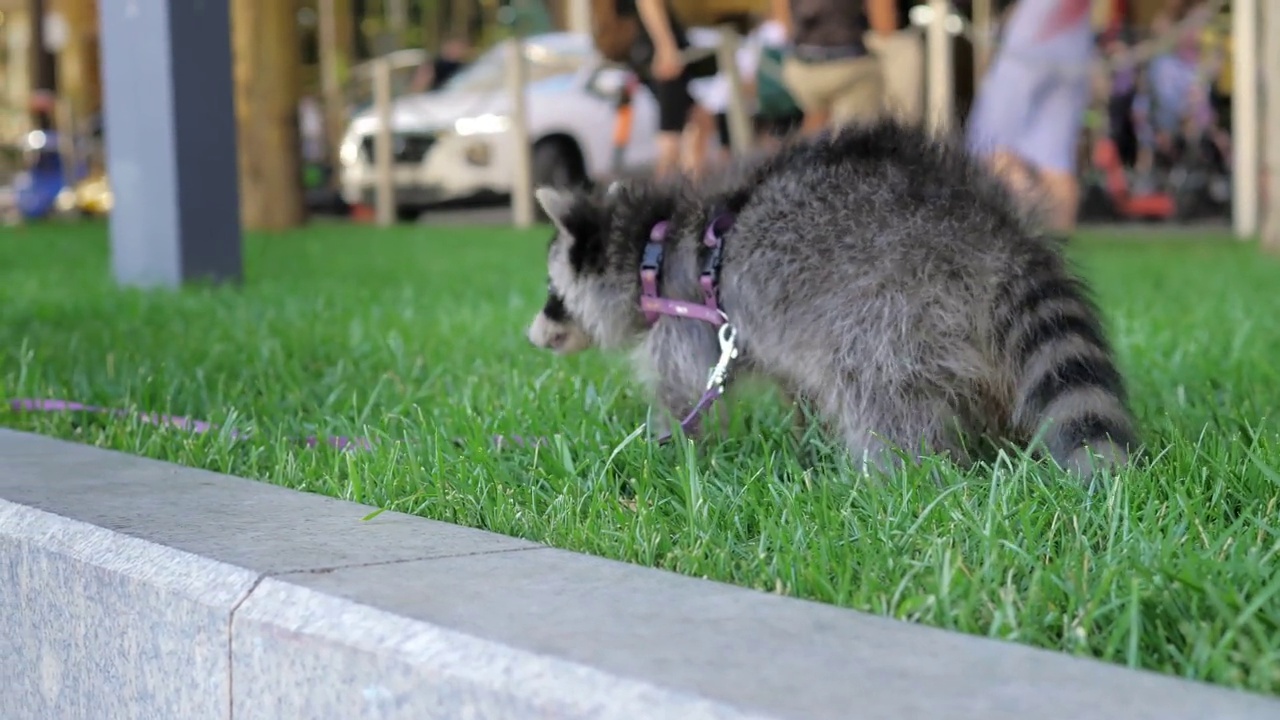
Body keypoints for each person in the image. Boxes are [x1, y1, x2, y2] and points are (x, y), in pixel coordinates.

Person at [965, 0, 1097, 235]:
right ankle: (1061, 256)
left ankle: (1021, 235)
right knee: (1056, 162)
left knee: (989, 149)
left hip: (1033, 41)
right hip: (1073, 42)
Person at [621, 0, 720, 178]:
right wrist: (665, 46)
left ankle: (690, 187)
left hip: (653, 51)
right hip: (661, 54)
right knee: (671, 137)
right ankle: (665, 197)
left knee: (699, 119)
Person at [773, 0, 899, 135]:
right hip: (849, 65)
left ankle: (811, 139)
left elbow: (783, 23)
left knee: (816, 120)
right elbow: (885, 27)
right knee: (856, 134)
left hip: (802, 66)